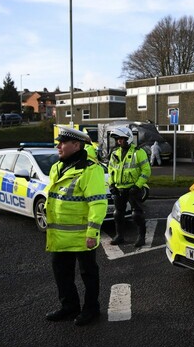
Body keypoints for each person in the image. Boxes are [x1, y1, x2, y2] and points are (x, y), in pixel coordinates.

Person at [45, 126, 108, 326]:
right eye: (58, 142)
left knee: (88, 274)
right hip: (60, 234)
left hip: (82, 235)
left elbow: (98, 203)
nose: (59, 146)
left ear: (76, 145)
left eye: (63, 143)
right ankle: (69, 306)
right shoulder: (57, 167)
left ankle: (91, 309)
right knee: (61, 273)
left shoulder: (90, 169)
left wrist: (92, 233)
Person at [108, 126, 151, 247]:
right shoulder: (115, 153)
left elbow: (146, 171)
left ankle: (141, 237)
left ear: (128, 138)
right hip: (119, 188)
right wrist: (111, 184)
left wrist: (137, 186)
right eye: (117, 139)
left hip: (133, 188)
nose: (119, 141)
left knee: (137, 214)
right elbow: (111, 169)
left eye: (121, 139)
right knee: (118, 214)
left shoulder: (138, 152)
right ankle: (119, 236)